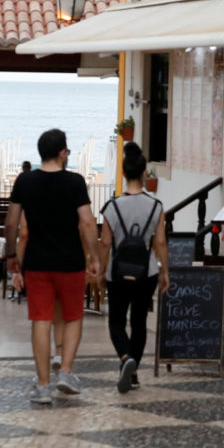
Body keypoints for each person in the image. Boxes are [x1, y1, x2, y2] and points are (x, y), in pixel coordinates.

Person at [5, 129, 98, 406]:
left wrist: (11, 257)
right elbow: (88, 222)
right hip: (70, 262)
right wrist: (95, 256)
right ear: (63, 152)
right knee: (72, 317)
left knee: (41, 321)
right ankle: (66, 372)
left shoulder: (25, 181)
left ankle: (43, 385)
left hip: (37, 263)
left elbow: (12, 223)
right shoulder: (75, 182)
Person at [98, 142, 166, 392]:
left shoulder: (112, 207)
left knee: (116, 321)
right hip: (146, 272)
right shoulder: (156, 206)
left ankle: (125, 358)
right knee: (138, 322)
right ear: (144, 172)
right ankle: (134, 373)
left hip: (117, 271)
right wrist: (165, 272)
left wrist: (100, 270)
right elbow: (160, 242)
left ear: (124, 174)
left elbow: (105, 243)